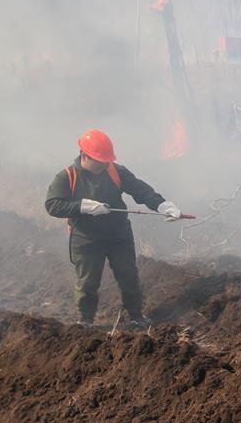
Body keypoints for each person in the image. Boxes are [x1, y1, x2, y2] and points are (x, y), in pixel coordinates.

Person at [45, 129, 182, 326]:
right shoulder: (67, 177)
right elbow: (52, 205)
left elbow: (140, 190)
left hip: (118, 235)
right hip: (86, 238)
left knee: (128, 275)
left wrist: (163, 205)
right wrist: (82, 206)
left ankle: (136, 316)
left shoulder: (115, 171)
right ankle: (86, 321)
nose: (104, 165)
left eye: (106, 161)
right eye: (99, 161)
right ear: (84, 155)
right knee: (87, 282)